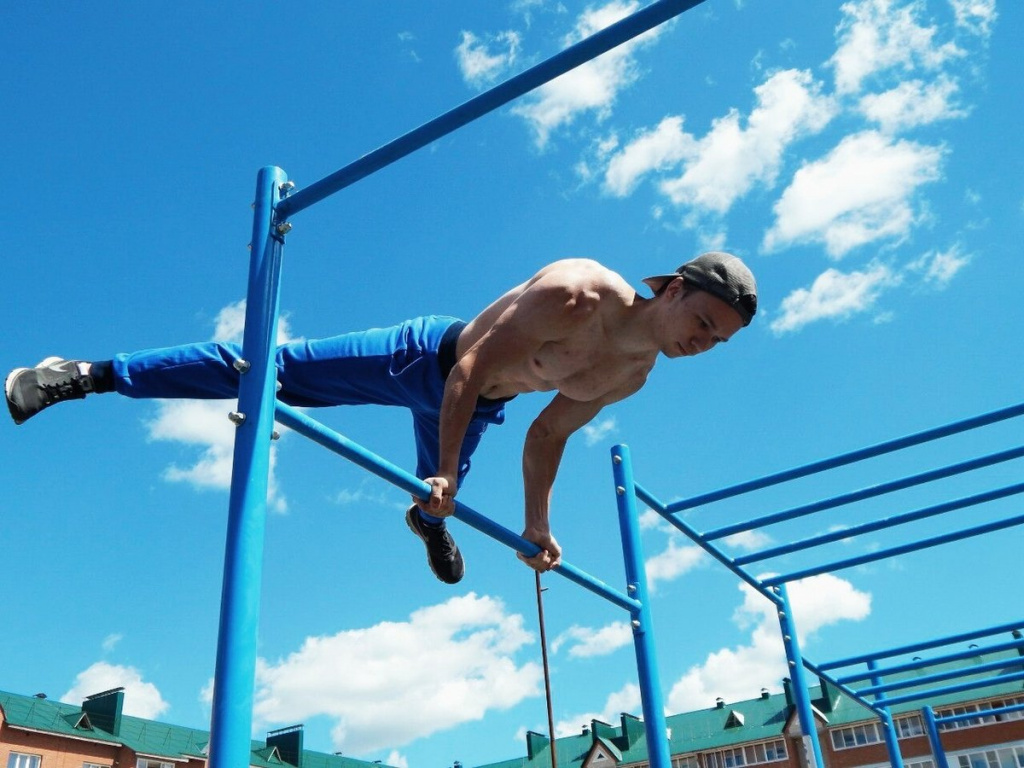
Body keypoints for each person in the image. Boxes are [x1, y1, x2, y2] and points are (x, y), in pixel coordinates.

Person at [6, 252, 756, 585]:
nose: (703, 343)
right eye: (704, 321)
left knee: (440, 496)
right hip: (425, 359)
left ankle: (428, 521)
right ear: (673, 289)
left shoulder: (632, 373)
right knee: (271, 371)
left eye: (717, 342)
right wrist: (440, 469)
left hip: (482, 411)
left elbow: (548, 432)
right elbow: (465, 370)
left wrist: (537, 524)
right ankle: (83, 375)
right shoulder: (577, 293)